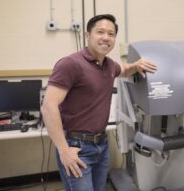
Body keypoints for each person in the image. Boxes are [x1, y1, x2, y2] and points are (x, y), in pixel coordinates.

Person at [41, 14, 157, 191]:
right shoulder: (70, 64)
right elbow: (48, 107)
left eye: (111, 34)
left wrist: (136, 65)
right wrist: (64, 151)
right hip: (76, 147)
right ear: (88, 35)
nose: (106, 37)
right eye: (100, 32)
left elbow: (123, 69)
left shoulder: (109, 65)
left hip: (101, 146)